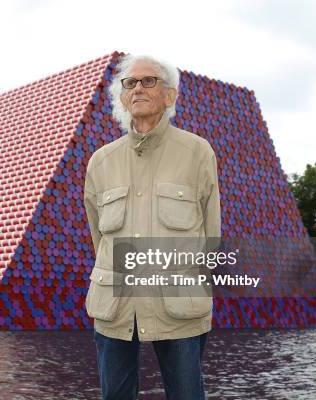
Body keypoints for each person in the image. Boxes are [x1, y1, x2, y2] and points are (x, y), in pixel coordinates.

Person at [84, 54, 222, 400]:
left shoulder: (197, 152)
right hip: (116, 304)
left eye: (149, 81)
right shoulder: (101, 161)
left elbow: (211, 234)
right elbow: (98, 235)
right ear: (121, 96)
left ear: (170, 95)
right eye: (130, 83)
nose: (138, 89)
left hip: (178, 303)